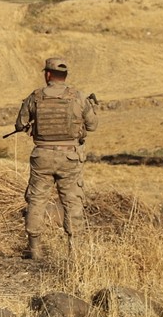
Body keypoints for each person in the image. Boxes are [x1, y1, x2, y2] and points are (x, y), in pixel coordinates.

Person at [12, 57, 98, 260]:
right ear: (64, 76)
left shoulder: (35, 97)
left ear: (48, 75)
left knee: (37, 200)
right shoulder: (77, 96)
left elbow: (19, 124)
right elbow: (92, 126)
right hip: (70, 157)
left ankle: (35, 250)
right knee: (72, 201)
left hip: (42, 156)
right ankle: (75, 252)